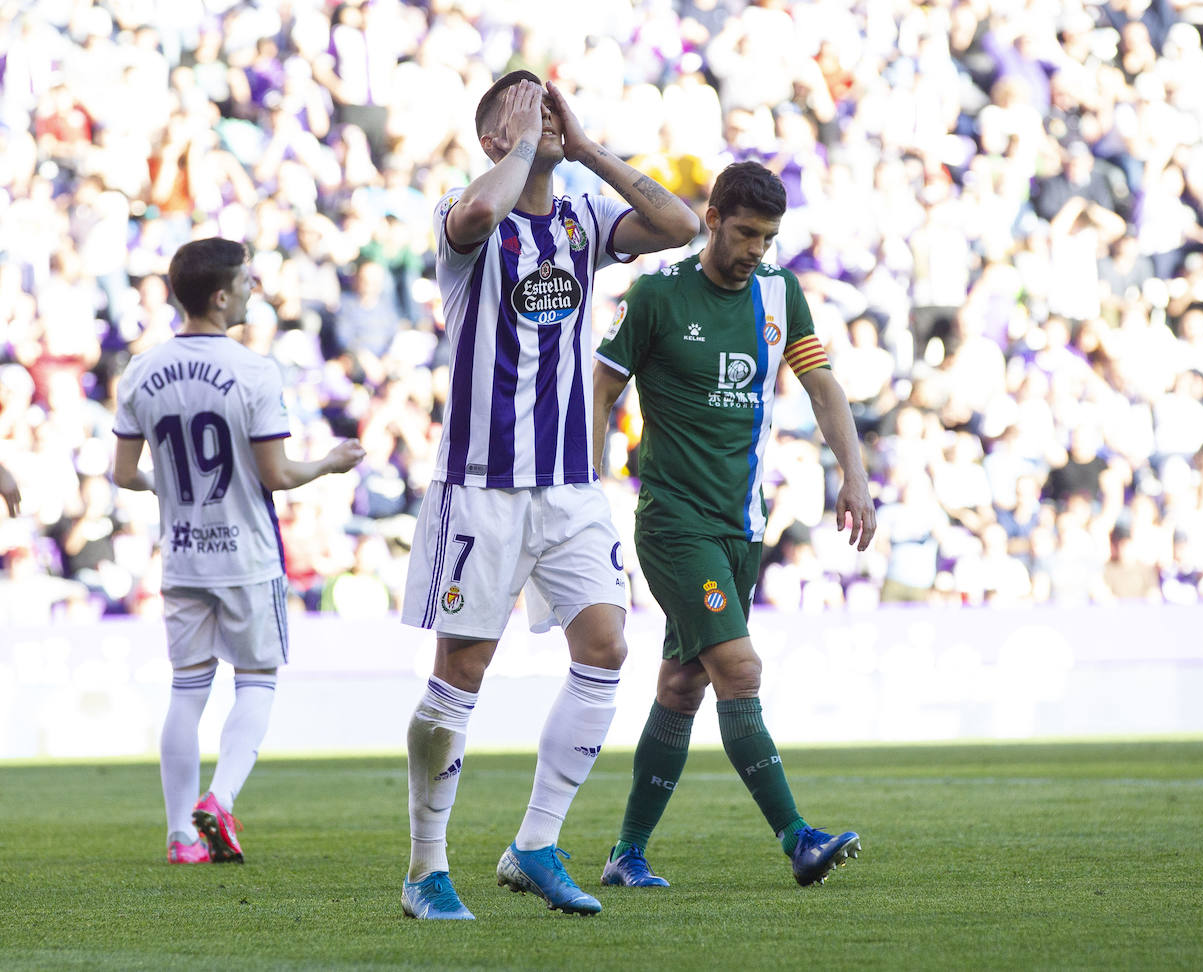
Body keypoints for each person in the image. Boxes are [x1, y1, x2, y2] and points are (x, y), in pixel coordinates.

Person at [398, 71, 697, 920]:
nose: (544, 114)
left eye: (550, 103)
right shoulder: (465, 217)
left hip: (570, 486)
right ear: (495, 137)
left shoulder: (581, 218)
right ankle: (425, 868)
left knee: (606, 650)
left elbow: (677, 225)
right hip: (480, 487)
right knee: (462, 671)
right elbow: (485, 214)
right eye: (523, 109)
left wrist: (587, 144)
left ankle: (535, 842)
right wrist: (526, 143)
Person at [591, 160, 877, 889]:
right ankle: (798, 838)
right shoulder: (657, 296)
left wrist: (856, 475)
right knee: (740, 672)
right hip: (673, 524)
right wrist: (590, 491)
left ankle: (626, 856)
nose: (756, 250)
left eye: (769, 237)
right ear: (712, 217)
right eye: (746, 232)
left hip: (739, 529)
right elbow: (602, 387)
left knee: (682, 689)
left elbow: (821, 387)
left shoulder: (781, 297)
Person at [111, 238, 365, 864]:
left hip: (184, 554)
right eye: (247, 281)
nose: (255, 289)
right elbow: (276, 473)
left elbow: (122, 474)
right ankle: (219, 799)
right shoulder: (254, 370)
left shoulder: (140, 371)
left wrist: (163, 487)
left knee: (187, 689)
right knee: (256, 682)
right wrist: (330, 463)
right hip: (247, 554)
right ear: (221, 296)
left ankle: (178, 837)